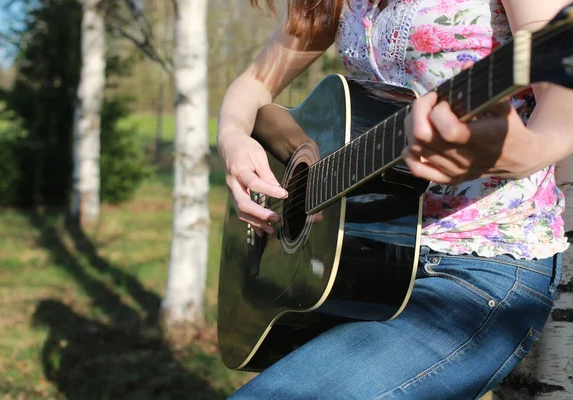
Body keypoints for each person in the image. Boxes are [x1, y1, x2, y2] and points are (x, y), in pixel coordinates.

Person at [217, 0, 573, 398]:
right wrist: (233, 137)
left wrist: (524, 153)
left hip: (475, 270)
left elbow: (561, 102)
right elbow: (255, 83)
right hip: (361, 263)